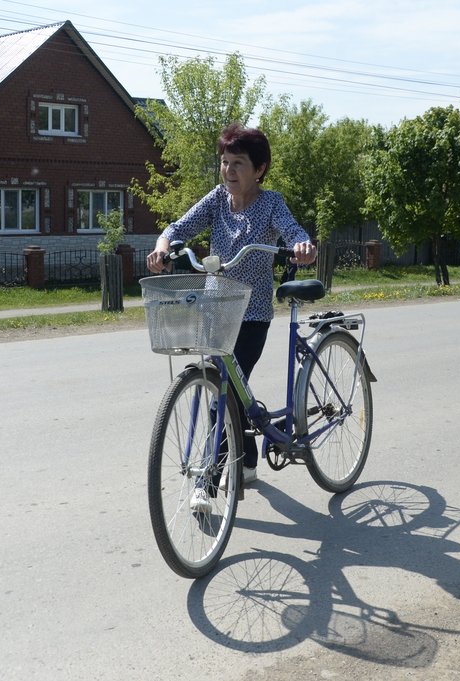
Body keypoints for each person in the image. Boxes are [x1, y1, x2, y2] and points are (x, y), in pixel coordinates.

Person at [146, 123, 316, 512]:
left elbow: (293, 231)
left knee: (223, 393)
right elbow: (178, 227)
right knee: (232, 389)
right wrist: (162, 246)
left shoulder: (271, 203)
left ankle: (206, 480)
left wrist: (302, 245)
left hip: (252, 314)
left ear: (260, 169)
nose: (229, 170)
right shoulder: (218, 199)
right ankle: (250, 460)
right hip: (214, 309)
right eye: (224, 162)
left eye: (238, 163)